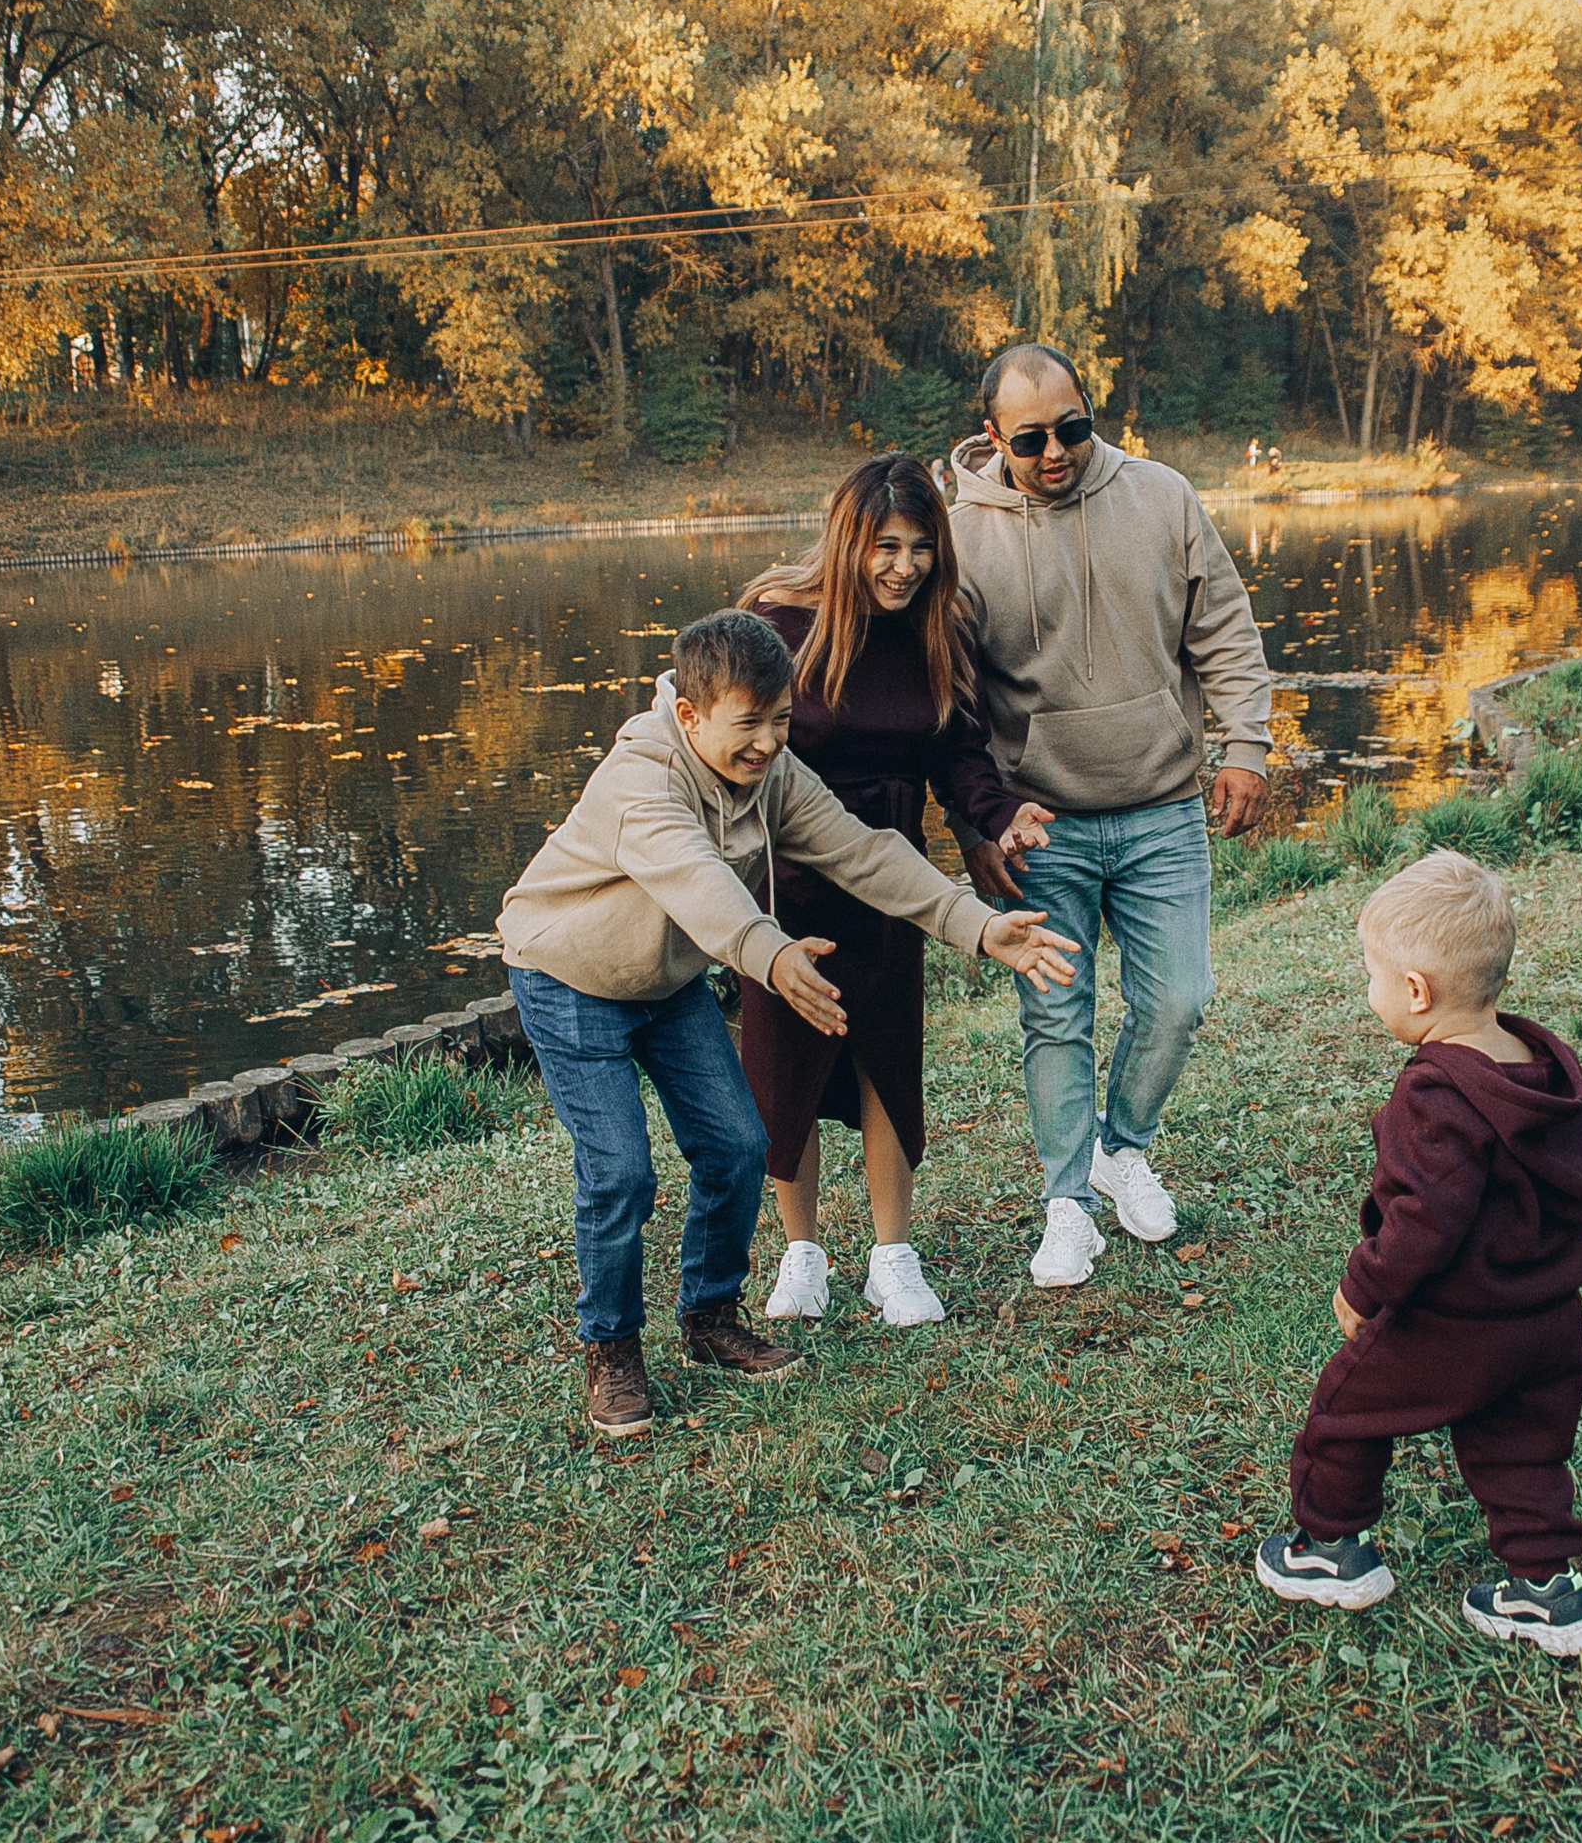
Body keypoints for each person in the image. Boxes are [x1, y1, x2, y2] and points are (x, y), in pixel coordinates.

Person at [496, 608, 1080, 1437]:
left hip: (663, 983)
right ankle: (613, 1348)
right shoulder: (642, 781)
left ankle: (708, 1316)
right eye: (751, 724)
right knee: (621, 1171)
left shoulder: (769, 770)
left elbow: (861, 850)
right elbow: (700, 881)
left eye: (781, 720)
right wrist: (771, 956)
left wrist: (974, 924)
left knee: (738, 1144)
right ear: (692, 716)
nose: (770, 742)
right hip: (569, 976)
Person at [945, 343, 1272, 1289]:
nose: (1057, 454)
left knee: (1178, 1001)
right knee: (1057, 1016)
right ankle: (1066, 1203)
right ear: (994, 436)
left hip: (1164, 805)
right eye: (1032, 439)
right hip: (1042, 823)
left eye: (1075, 429)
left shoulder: (1163, 496)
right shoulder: (962, 535)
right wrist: (978, 828)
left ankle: (1119, 1147)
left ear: (1094, 412)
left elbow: (1226, 633)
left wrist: (1244, 747)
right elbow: (953, 705)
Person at [1253, 851, 1582, 1657]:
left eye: (1372, 976)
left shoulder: (1438, 1093)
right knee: (1522, 1446)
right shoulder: (1540, 1069)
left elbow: (1423, 1219)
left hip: (1454, 1322)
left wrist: (1363, 1286)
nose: (1370, 992)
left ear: (1415, 990)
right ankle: (1548, 1593)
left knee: (1346, 1414)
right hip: (1546, 1321)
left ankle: (1331, 1552)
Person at [737, 455, 1055, 1329]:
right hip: (790, 881)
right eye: (885, 546)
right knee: (785, 1069)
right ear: (848, 542)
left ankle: (893, 1257)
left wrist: (997, 816)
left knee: (887, 1063)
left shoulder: (936, 630)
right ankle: (801, 1256)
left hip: (893, 880)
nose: (903, 566)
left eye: (919, 547)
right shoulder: (779, 622)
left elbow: (960, 757)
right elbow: (730, 742)